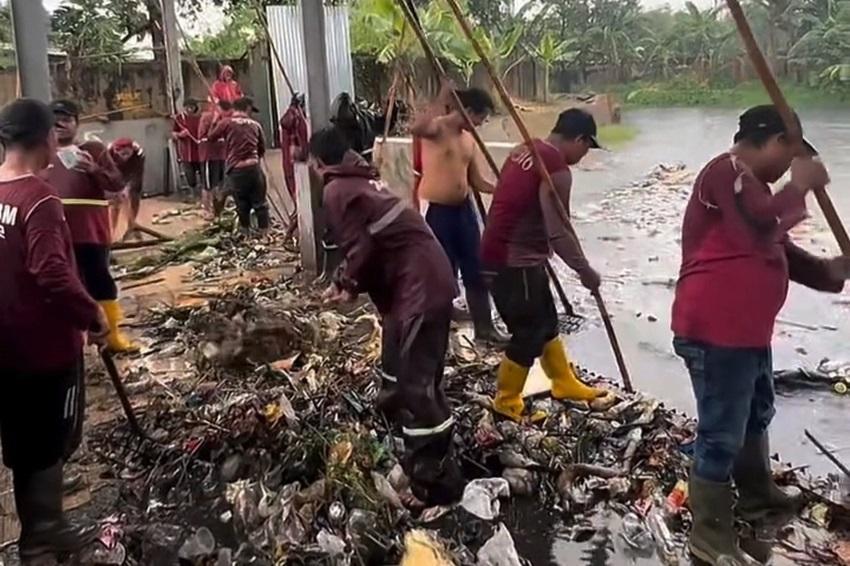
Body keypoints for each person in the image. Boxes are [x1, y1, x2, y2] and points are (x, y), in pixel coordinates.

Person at [671, 105, 850, 565]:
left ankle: (756, 495)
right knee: (721, 432)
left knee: (755, 412)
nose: (789, 167)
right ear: (770, 142)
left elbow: (779, 250)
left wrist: (833, 272)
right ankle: (709, 536)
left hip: (747, 333)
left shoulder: (755, 192)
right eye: (789, 156)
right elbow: (757, 229)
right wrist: (800, 187)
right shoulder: (724, 174)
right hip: (714, 331)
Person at [310, 127, 463, 506]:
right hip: (413, 287)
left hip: (420, 290)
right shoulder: (360, 183)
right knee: (395, 372)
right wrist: (346, 281)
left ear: (316, 164)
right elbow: (370, 246)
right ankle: (403, 447)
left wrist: (346, 283)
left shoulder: (335, 190)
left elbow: (359, 248)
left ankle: (438, 482)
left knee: (417, 386)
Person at [0, 98, 106, 563]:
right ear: (47, 138)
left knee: (23, 441)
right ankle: (44, 535)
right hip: (46, 350)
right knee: (49, 442)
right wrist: (93, 314)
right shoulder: (39, 198)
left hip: (8, 347)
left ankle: (39, 529)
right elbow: (53, 274)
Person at [480, 109, 606, 422]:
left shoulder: (525, 149)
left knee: (547, 319)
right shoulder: (555, 168)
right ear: (578, 139)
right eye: (587, 147)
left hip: (504, 252)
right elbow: (557, 230)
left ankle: (563, 381)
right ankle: (507, 401)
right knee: (529, 333)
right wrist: (584, 270)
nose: (585, 155)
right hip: (513, 261)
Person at [412, 83, 507, 345]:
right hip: (437, 211)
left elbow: (476, 179)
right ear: (465, 110)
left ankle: (485, 330)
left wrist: (501, 190)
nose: (480, 123)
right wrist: (441, 97)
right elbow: (416, 128)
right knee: (442, 272)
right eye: (479, 117)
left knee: (476, 268)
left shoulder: (468, 139)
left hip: (463, 211)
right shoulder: (437, 128)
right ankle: (437, 332)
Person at [46, 99, 137, 353]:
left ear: (76, 123)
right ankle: (72, 339)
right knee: (63, 284)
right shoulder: (41, 152)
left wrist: (93, 169)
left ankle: (113, 336)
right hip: (55, 231)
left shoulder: (93, 149)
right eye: (54, 119)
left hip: (89, 230)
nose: (59, 124)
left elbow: (117, 184)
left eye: (65, 119)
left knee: (99, 280)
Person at [207, 96, 269, 234]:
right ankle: (265, 232)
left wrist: (215, 120)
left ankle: (245, 230)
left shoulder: (226, 123)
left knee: (242, 203)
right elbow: (262, 149)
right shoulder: (255, 125)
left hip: (237, 169)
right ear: (247, 108)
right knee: (260, 203)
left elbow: (211, 137)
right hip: (254, 168)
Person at [199, 100, 231, 218]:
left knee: (219, 183)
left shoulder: (226, 119)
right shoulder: (207, 117)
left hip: (221, 154)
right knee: (208, 184)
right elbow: (205, 134)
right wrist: (214, 122)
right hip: (208, 155)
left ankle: (217, 207)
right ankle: (206, 209)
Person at [108, 137, 145, 233]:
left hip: (132, 173)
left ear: (132, 150)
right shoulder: (108, 154)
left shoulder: (139, 154)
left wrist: (129, 187)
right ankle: (113, 229)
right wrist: (118, 188)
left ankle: (131, 226)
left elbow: (137, 174)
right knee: (115, 201)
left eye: (128, 153)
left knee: (134, 197)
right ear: (116, 151)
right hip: (116, 174)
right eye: (123, 154)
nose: (125, 157)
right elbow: (108, 172)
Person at [279, 93, 309, 203]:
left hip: (296, 160)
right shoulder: (294, 117)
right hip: (294, 162)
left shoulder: (300, 117)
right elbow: (285, 122)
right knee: (296, 188)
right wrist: (293, 108)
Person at [173, 99, 203, 200]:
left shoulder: (201, 117)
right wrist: (180, 134)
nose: (190, 109)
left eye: (192, 106)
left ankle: (204, 195)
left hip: (201, 151)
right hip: (187, 152)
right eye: (188, 106)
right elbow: (173, 134)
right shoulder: (179, 119)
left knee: (203, 174)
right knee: (190, 175)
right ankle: (193, 194)